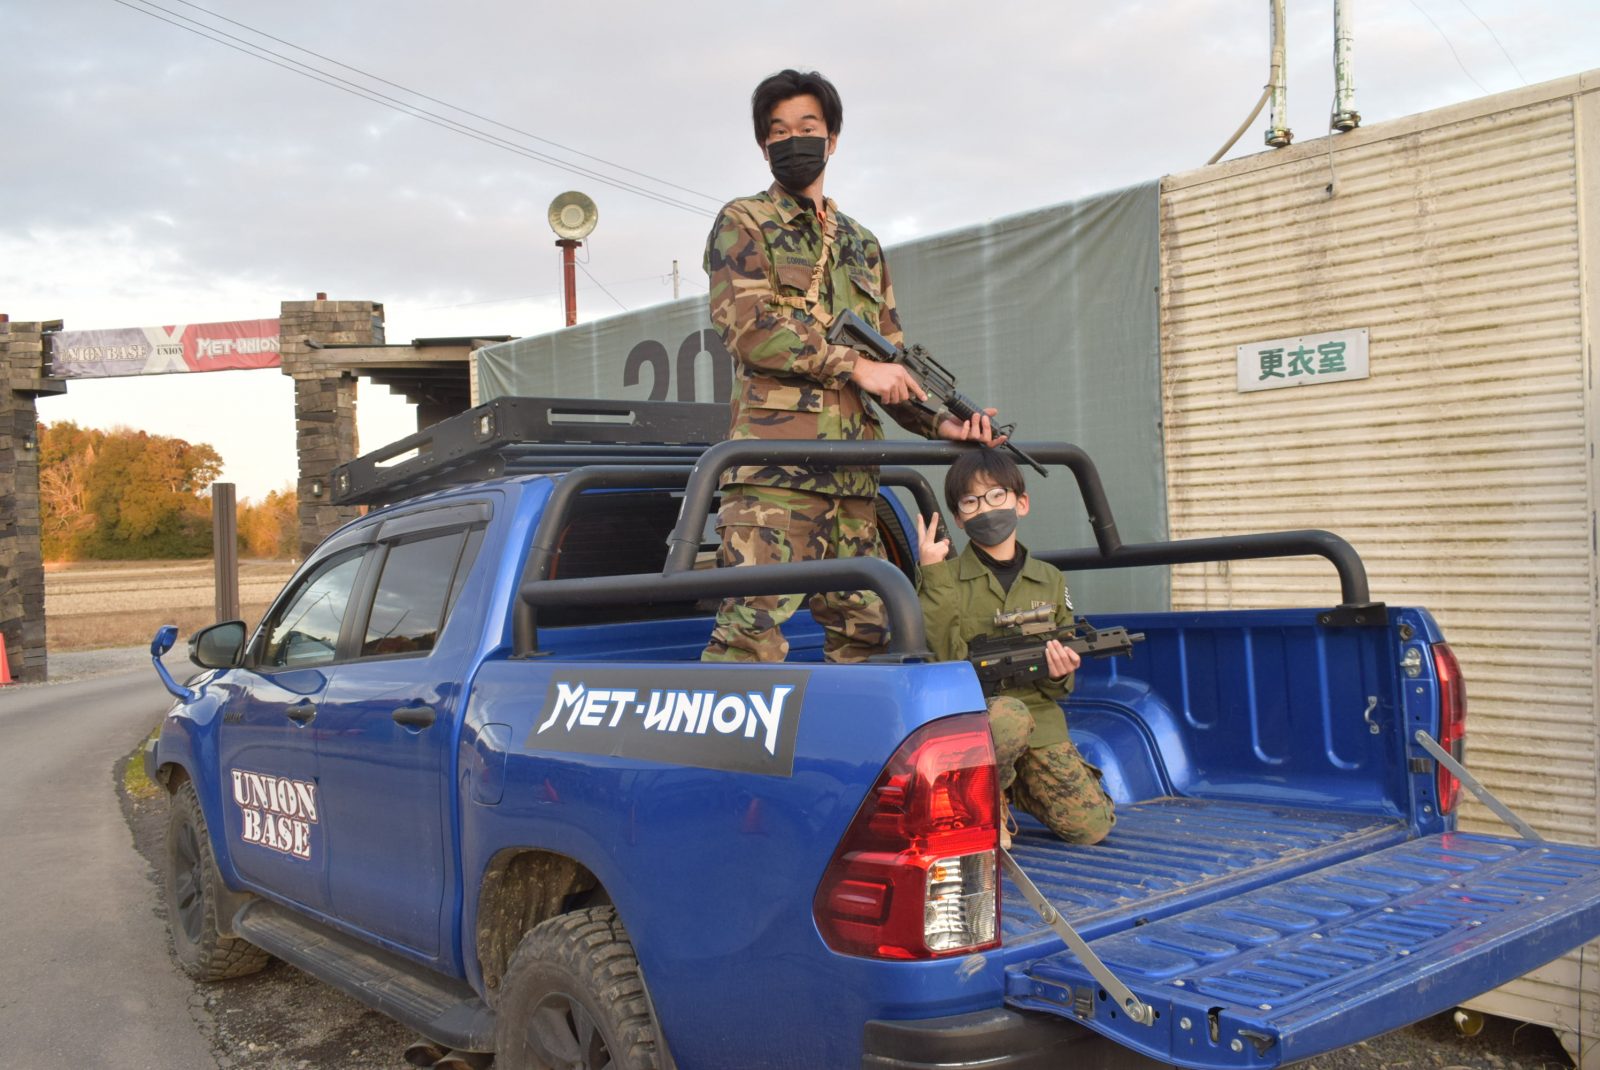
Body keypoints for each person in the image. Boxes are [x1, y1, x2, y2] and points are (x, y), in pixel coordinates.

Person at [702, 68, 1001, 664]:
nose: (793, 141)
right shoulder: (745, 221)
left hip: (853, 480)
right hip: (775, 477)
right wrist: (853, 367)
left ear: (832, 139)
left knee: (869, 637)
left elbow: (891, 360)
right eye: (779, 132)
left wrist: (939, 423)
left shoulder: (861, 243)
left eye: (807, 127)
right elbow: (749, 330)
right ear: (764, 146)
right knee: (748, 641)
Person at [914, 448, 1116, 848]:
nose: (985, 509)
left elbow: (1060, 686)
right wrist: (932, 573)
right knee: (1009, 715)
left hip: (1039, 719)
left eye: (996, 496)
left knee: (1092, 827)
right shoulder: (943, 577)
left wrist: (1059, 671)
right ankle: (983, 802)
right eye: (970, 501)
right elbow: (942, 658)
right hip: (974, 718)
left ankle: (1014, 787)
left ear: (1021, 503)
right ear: (958, 518)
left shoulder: (1049, 579)